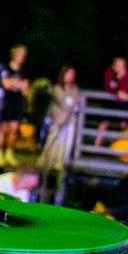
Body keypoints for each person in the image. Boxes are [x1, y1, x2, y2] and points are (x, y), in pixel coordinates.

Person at [39, 65, 85, 201]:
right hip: (58, 122)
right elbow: (64, 103)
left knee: (65, 146)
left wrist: (71, 102)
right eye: (68, 74)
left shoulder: (74, 88)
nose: (70, 77)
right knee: (53, 143)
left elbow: (77, 101)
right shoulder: (57, 88)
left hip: (69, 123)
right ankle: (47, 166)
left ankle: (61, 165)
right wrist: (71, 103)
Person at [0, 46, 32, 148]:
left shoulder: (23, 71)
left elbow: (26, 87)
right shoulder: (6, 69)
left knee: (14, 127)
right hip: (6, 100)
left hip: (18, 101)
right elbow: (5, 84)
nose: (22, 58)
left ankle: (9, 151)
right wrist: (17, 83)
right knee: (3, 127)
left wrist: (13, 82)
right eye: (20, 55)